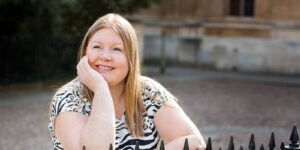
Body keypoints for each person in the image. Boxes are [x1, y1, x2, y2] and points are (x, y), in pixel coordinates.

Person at [48, 13, 206, 150]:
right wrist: (101, 89)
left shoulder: (148, 92)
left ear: (131, 58)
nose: (105, 56)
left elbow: (194, 142)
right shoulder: (69, 99)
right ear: (84, 52)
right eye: (97, 47)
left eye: (116, 49)